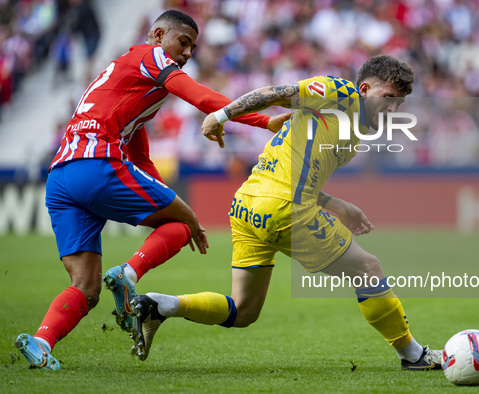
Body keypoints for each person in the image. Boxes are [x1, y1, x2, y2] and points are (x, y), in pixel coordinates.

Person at [13, 10, 288, 371]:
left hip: (61, 176)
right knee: (182, 225)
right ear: (158, 34)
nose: (188, 52)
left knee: (86, 287)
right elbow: (201, 97)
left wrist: (165, 196)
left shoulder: (127, 76)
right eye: (183, 42)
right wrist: (263, 121)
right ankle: (127, 274)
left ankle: (41, 342)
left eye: (192, 46)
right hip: (97, 163)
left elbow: (140, 156)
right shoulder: (152, 57)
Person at [129, 55, 443, 370]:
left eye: (399, 103)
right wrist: (221, 115)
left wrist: (332, 202)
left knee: (243, 310)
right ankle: (413, 355)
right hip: (285, 208)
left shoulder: (353, 128)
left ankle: (160, 305)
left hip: (248, 206)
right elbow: (276, 93)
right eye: (388, 98)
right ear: (364, 88)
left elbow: (295, 171)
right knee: (368, 269)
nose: (392, 109)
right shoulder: (341, 93)